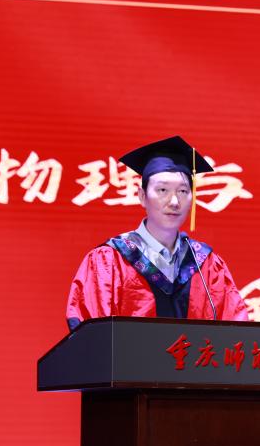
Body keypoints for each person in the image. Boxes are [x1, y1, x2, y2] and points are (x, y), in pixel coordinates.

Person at [66, 135, 249, 330]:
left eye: (183, 191)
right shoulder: (110, 260)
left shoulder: (206, 265)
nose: (174, 201)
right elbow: (91, 333)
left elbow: (235, 330)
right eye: (162, 190)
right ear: (142, 196)